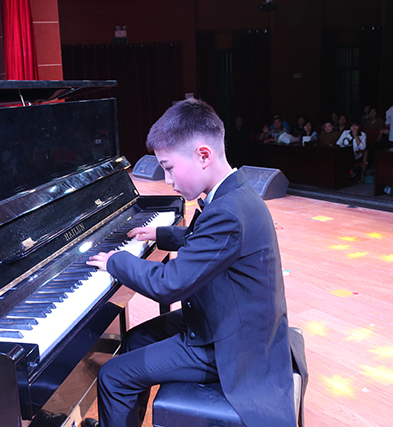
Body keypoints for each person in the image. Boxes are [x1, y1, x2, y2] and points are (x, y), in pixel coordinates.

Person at [85, 98, 301, 427]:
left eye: (169, 167)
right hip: (228, 320)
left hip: (233, 347)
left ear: (203, 155)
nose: (168, 180)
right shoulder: (234, 194)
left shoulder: (228, 212)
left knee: (113, 376)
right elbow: (209, 241)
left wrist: (116, 261)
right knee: (134, 340)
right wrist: (161, 233)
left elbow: (169, 284)